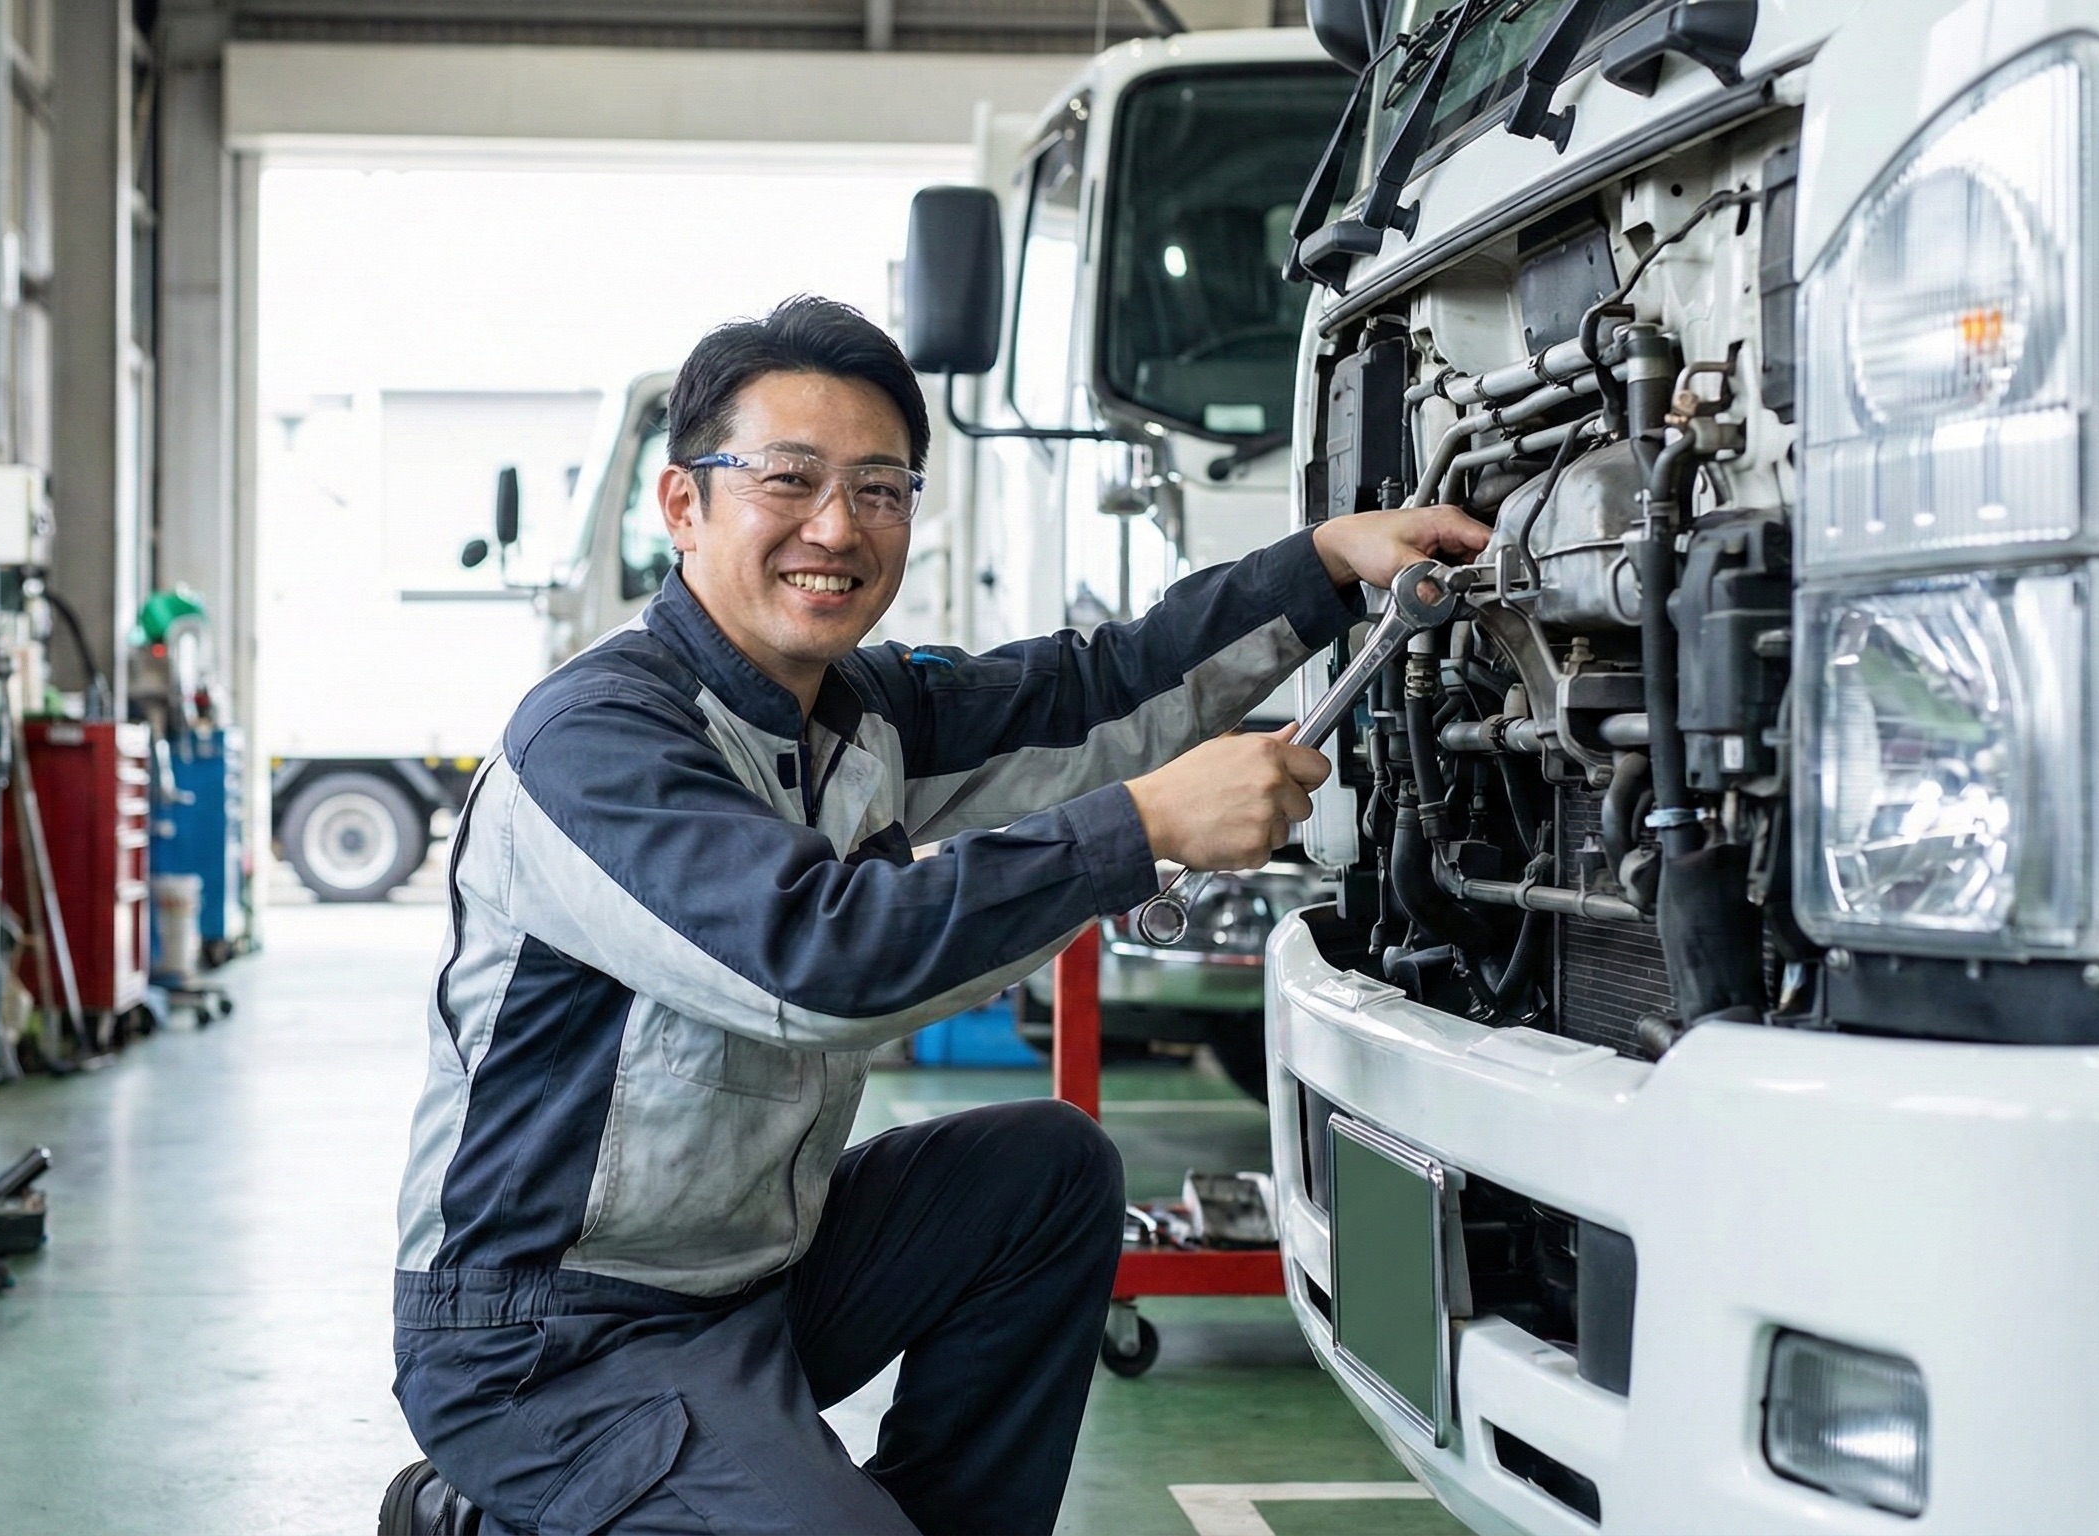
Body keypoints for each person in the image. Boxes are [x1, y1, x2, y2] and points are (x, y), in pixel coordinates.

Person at [381, 295, 1488, 1536]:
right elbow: (813, 960)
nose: (836, 528)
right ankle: (489, 1508)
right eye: (788, 480)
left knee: (1043, 1171)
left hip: (754, 1280)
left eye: (879, 489)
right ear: (683, 506)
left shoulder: (854, 710)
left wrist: (1328, 563)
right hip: (546, 1333)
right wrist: (1145, 825)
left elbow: (1100, 687)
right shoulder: (596, 742)